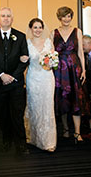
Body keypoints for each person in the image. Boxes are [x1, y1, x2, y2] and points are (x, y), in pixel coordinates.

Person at [0, 7, 29, 155]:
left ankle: (21, 143)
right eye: (3, 16)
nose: (5, 18)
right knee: (2, 113)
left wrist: (12, 76)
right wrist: (2, 75)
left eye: (8, 16)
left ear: (12, 19)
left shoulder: (20, 36)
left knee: (17, 113)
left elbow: (24, 59)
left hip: (15, 82)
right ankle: (6, 140)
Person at [52, 6, 87, 144]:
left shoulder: (77, 31)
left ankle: (77, 132)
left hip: (74, 68)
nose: (66, 19)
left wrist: (83, 69)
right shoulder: (53, 33)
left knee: (75, 99)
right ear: (59, 18)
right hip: (59, 70)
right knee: (63, 100)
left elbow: (80, 53)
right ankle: (66, 129)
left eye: (69, 16)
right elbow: (52, 53)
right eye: (64, 16)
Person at [23, 18, 56, 152]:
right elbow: (23, 60)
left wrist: (51, 62)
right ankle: (33, 137)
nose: (37, 30)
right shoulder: (26, 43)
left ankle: (48, 141)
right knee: (34, 106)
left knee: (47, 107)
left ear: (43, 28)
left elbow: (54, 60)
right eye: (35, 27)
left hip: (47, 77)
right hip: (33, 77)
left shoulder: (49, 42)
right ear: (31, 29)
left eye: (40, 27)